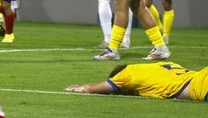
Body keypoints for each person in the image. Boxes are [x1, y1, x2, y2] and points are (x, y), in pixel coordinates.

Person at [65, 61, 208, 101]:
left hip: (200, 86)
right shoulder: (165, 64)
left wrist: (79, 88)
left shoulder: (127, 74)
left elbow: (91, 89)